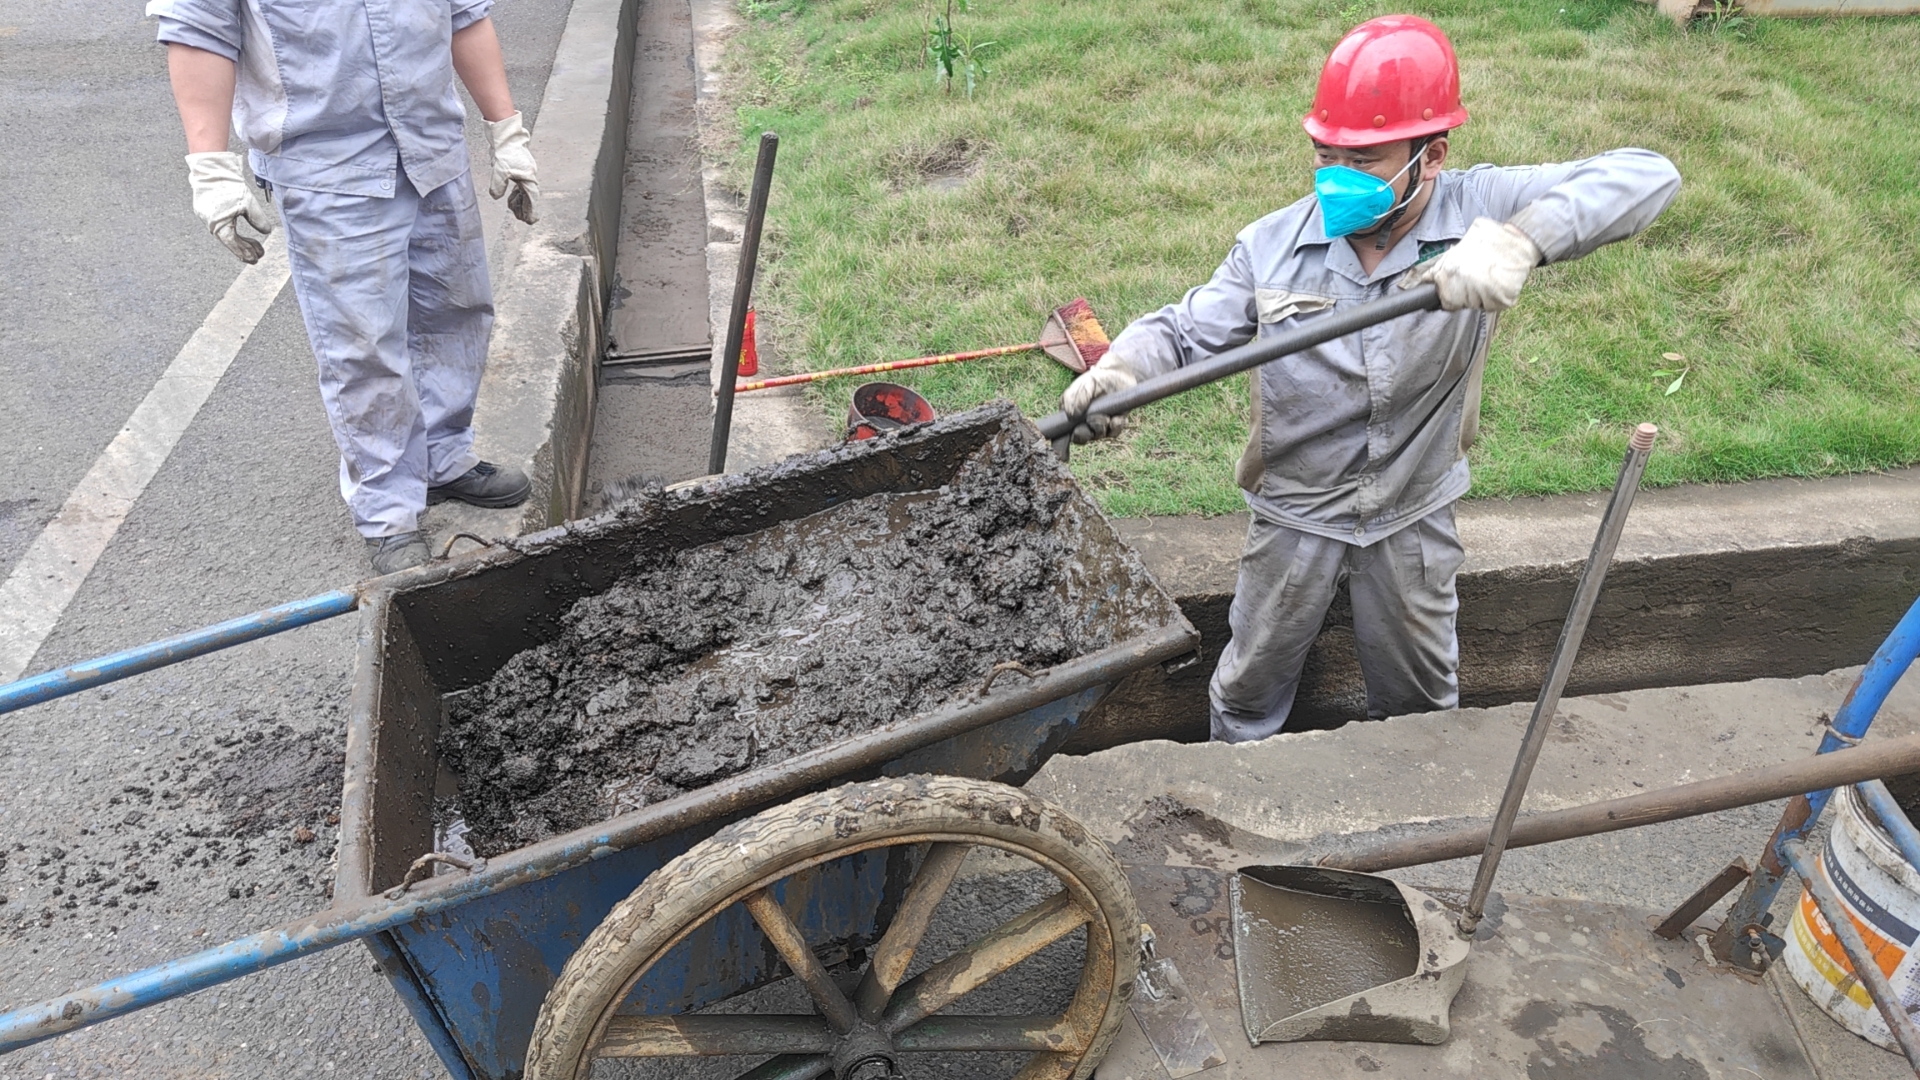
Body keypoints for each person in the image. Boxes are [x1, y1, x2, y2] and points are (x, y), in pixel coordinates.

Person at [1061, 15, 1681, 743]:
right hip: (1297, 510)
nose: (1337, 178)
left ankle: (1417, 819)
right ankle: (1241, 808)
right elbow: (1184, 330)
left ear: (1433, 154)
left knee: (1419, 700)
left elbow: (1649, 175)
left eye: (1363, 159)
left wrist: (1523, 239)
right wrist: (1123, 369)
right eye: (1326, 155)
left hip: (1413, 510)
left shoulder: (1480, 210)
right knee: (1251, 684)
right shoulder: (1272, 246)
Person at [149, 0, 542, 574]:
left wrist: (505, 128)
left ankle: (441, 456)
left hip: (433, 147)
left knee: (456, 311)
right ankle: (386, 507)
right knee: (364, 346)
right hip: (330, 170)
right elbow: (199, 29)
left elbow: (463, 14)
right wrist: (210, 166)